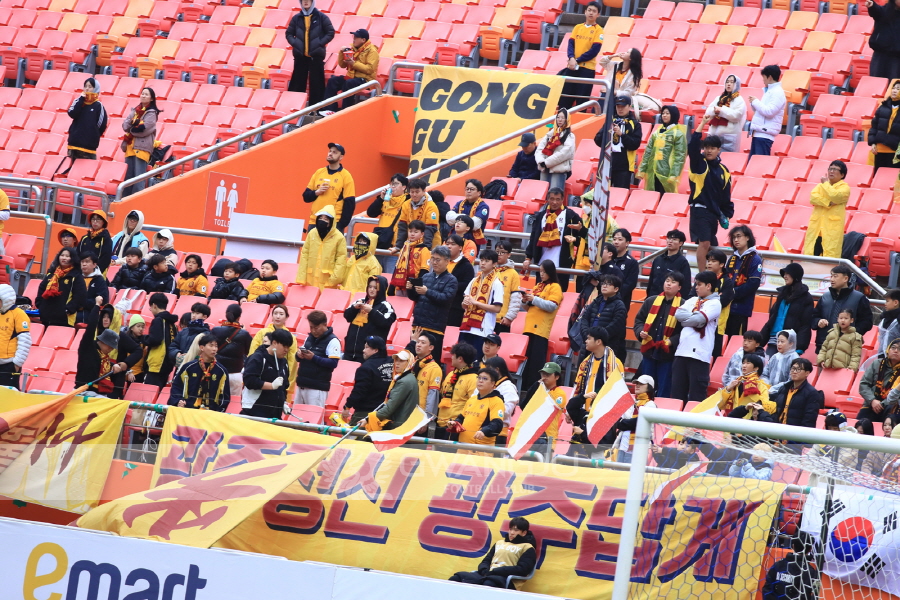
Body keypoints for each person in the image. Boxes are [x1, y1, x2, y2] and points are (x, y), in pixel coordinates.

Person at [568, 328, 624, 452]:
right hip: (584, 413)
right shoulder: (585, 363)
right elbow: (577, 387)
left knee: (596, 453)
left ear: (598, 342)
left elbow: (618, 392)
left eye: (589, 338)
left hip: (602, 417)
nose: (585, 341)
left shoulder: (615, 364)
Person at [687, 125, 733, 272]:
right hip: (699, 211)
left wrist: (726, 215)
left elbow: (725, 196)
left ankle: (715, 274)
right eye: (706, 147)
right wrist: (701, 125)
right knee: (705, 243)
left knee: (713, 247)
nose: (708, 151)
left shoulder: (724, 171)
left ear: (719, 150)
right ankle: (702, 277)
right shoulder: (700, 165)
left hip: (713, 214)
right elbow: (692, 148)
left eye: (712, 148)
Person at [671, 271, 722, 403]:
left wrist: (687, 321)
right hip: (682, 352)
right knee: (676, 395)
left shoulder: (715, 303)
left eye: (699, 284)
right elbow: (678, 315)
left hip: (699, 355)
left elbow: (699, 318)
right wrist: (693, 319)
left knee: (696, 397)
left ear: (708, 286)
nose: (696, 287)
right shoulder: (692, 300)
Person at [449, 517, 536, 590]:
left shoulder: (527, 547)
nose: (512, 533)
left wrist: (497, 571)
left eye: (516, 530)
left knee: (488, 584)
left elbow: (522, 570)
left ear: (524, 533)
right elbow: (486, 561)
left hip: (506, 579)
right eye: (510, 529)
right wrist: (484, 570)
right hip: (488, 575)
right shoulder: (499, 543)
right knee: (457, 578)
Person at [633, 272, 684, 397]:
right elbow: (639, 320)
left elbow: (686, 331)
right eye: (667, 281)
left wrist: (672, 341)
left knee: (664, 388)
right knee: (645, 387)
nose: (669, 284)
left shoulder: (684, 306)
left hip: (668, 353)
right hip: (649, 350)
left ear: (679, 287)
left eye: (673, 282)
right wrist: (640, 331)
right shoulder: (651, 301)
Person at [523, 187, 582, 293]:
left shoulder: (570, 215)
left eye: (558, 199)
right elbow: (533, 238)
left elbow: (583, 234)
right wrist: (528, 257)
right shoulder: (541, 216)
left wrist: (575, 239)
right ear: (547, 199)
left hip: (562, 262)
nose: (555, 202)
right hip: (542, 262)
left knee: (559, 292)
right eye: (552, 199)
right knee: (540, 292)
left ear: (563, 199)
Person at [521, 260, 565, 389]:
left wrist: (534, 299)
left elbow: (551, 306)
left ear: (550, 272)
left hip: (541, 329)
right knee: (526, 360)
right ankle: (523, 387)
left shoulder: (555, 287)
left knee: (536, 362)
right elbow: (529, 308)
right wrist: (525, 301)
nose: (541, 274)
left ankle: (533, 388)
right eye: (540, 271)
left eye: (544, 272)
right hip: (529, 327)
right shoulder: (538, 286)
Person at [811, 263, 873, 352]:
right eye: (831, 276)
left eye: (835, 276)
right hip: (823, 346)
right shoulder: (825, 297)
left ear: (845, 278)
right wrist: (818, 321)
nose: (832, 279)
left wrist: (853, 333)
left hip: (846, 348)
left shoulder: (859, 298)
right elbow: (814, 316)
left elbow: (867, 321)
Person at [408, 245, 458, 356]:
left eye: (438, 260)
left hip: (435, 327)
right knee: (413, 358)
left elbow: (446, 299)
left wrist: (427, 292)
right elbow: (416, 297)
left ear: (447, 261)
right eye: (432, 259)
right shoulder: (426, 276)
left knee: (431, 359)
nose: (434, 262)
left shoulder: (451, 280)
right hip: (418, 325)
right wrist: (410, 289)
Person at [760, 263, 814, 357]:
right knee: (769, 364)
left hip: (790, 343)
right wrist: (759, 341)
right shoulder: (782, 294)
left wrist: (800, 347)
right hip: (774, 339)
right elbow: (772, 319)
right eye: (784, 274)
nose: (785, 276)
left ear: (795, 276)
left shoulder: (806, 298)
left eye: (788, 274)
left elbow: (805, 325)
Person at [285, 0, 334, 104]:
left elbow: (330, 32)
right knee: (297, 83)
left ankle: (316, 108)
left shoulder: (321, 17)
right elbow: (289, 33)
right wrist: (295, 43)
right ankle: (294, 106)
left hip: (316, 56)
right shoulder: (296, 18)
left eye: (308, 0)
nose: (306, 2)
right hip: (300, 56)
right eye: (303, 0)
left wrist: (320, 43)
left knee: (317, 84)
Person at [321, 28, 379, 114]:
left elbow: (369, 69)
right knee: (333, 80)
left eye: (356, 37)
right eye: (354, 37)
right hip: (352, 77)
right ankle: (330, 110)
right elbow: (342, 65)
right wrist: (341, 53)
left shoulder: (372, 51)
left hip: (366, 80)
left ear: (363, 40)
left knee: (349, 83)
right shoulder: (352, 49)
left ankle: (345, 112)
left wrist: (353, 63)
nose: (354, 39)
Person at [459, 249, 505, 359]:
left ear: (494, 264)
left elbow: (497, 308)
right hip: (466, 326)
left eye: (487, 261)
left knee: (476, 360)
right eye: (482, 260)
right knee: (461, 359)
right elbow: (464, 305)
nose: (483, 263)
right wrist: (465, 303)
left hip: (483, 328)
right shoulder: (474, 280)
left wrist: (476, 303)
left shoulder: (497, 283)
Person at [302, 143, 356, 232]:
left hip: (333, 223)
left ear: (341, 157)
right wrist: (317, 192)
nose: (330, 154)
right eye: (330, 151)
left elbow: (349, 203)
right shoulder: (319, 172)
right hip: (315, 221)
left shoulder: (346, 176)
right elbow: (306, 197)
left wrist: (341, 225)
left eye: (335, 152)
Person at [168, 334, 230, 411]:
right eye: (211, 346)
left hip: (211, 412)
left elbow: (225, 395)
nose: (214, 349)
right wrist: (178, 401)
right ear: (202, 347)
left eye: (216, 346)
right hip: (189, 409)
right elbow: (177, 387)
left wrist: (219, 409)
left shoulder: (221, 370)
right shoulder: (189, 367)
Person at [447, 366, 505, 448]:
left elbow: (497, 423)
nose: (480, 381)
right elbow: (462, 417)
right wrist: (455, 423)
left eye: (485, 379)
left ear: (492, 383)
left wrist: (484, 431)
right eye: (479, 378)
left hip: (481, 449)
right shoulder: (472, 399)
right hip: (462, 447)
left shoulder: (497, 401)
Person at [802, 160, 850, 258]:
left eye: (835, 169)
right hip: (817, 227)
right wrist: (828, 202)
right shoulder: (820, 186)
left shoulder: (845, 188)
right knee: (811, 256)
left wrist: (826, 184)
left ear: (842, 175)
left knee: (829, 257)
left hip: (831, 229)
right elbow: (813, 198)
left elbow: (835, 196)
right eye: (830, 169)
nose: (831, 171)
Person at [559, 1, 603, 109]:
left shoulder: (599, 30)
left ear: (598, 14)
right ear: (585, 11)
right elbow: (570, 45)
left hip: (587, 70)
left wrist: (576, 60)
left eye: (594, 11)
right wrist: (571, 58)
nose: (591, 13)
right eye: (589, 10)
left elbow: (594, 51)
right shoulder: (577, 27)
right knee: (565, 99)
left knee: (581, 101)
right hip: (572, 67)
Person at [343, 275, 396, 363]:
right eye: (370, 287)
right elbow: (347, 316)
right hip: (349, 352)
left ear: (381, 289)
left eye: (375, 288)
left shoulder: (386, 306)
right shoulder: (360, 301)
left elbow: (386, 322)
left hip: (370, 356)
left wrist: (371, 311)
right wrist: (354, 308)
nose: (371, 290)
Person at [242, 328, 292, 419]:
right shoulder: (257, 358)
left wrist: (283, 402)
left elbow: (284, 386)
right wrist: (271, 385)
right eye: (284, 346)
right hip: (254, 410)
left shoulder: (284, 362)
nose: (286, 350)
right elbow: (249, 381)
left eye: (288, 347)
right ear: (274, 343)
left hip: (275, 413)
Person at [294, 310, 341, 408]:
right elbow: (298, 359)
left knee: (314, 415)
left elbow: (333, 363)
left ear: (325, 325)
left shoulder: (333, 341)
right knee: (296, 415)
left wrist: (314, 358)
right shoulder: (309, 338)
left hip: (317, 388)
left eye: (316, 328)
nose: (313, 330)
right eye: (311, 327)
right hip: (302, 384)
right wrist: (298, 355)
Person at [343, 335, 392, 425]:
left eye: (366, 347)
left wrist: (347, 406)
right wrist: (413, 342)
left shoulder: (365, 368)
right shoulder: (393, 362)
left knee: (355, 434)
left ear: (375, 350)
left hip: (365, 413)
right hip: (387, 413)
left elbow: (359, 391)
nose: (363, 350)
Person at [518, 362, 567, 451]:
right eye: (543, 374)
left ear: (557, 377)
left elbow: (546, 409)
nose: (544, 377)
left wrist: (539, 390)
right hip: (530, 434)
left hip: (547, 437)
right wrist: (535, 387)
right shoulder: (537, 389)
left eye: (548, 374)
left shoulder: (560, 394)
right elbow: (523, 406)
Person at [579, 273, 627, 362]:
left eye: (609, 284)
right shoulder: (596, 301)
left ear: (616, 289)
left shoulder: (619, 305)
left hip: (607, 347)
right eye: (603, 283)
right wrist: (588, 336)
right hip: (588, 345)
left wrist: (598, 338)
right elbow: (584, 319)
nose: (604, 286)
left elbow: (615, 326)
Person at [638, 105, 686, 194]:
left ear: (673, 115)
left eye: (667, 113)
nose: (664, 115)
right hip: (653, 171)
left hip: (667, 173)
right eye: (663, 113)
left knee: (665, 196)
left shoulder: (678, 134)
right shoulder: (657, 132)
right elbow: (648, 151)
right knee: (652, 196)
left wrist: (674, 174)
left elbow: (679, 156)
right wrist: (642, 169)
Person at [297, 206, 347, 290]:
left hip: (327, 283)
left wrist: (333, 281)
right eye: (320, 218)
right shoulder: (312, 233)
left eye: (326, 219)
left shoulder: (339, 237)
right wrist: (301, 278)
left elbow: (341, 260)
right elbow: (305, 254)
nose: (322, 221)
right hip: (310, 280)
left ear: (331, 221)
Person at [122, 88, 160, 197]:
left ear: (151, 99)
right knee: (128, 179)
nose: (143, 96)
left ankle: (137, 202)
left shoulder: (152, 113)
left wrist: (132, 129)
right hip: (130, 147)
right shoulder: (135, 110)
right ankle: (125, 201)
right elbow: (125, 125)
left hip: (142, 148)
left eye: (146, 94)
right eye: (142, 94)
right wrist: (134, 125)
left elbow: (144, 131)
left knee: (139, 179)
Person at [724, 225, 762, 336]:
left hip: (741, 308)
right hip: (726, 307)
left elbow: (753, 283)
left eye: (739, 236)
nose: (736, 240)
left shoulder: (755, 258)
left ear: (747, 238)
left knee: (736, 338)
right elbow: (725, 278)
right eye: (734, 237)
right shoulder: (732, 258)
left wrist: (732, 293)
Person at [598, 94, 642, 189]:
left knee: (620, 192)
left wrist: (622, 134)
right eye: (618, 106)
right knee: (604, 191)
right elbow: (597, 140)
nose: (620, 109)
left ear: (629, 106)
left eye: (623, 106)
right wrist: (607, 132)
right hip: (608, 162)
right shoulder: (610, 121)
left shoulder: (635, 124)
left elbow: (635, 144)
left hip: (624, 165)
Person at [436, 342, 479, 439]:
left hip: (455, 426)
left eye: (453, 355)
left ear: (460, 359)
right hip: (441, 423)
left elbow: (473, 405)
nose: (451, 357)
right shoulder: (451, 374)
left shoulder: (473, 379)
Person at [367, 173, 408, 273]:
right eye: (391, 184)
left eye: (396, 184)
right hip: (380, 245)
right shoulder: (386, 200)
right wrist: (380, 198)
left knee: (390, 277)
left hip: (394, 249)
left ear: (404, 187)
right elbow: (371, 213)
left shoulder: (408, 202)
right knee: (375, 277)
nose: (393, 186)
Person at [369, 349, 419, 430]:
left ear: (409, 362)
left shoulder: (404, 381)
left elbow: (389, 408)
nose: (397, 363)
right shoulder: (408, 377)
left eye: (401, 361)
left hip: (398, 426)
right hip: (403, 424)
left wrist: (369, 419)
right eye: (396, 360)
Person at [249, 305, 298, 387]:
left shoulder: (291, 337)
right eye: (275, 313)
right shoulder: (262, 333)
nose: (278, 316)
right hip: (261, 371)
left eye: (281, 314)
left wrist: (288, 382)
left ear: (286, 317)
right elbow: (252, 352)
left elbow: (292, 361)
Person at [612, 374, 656, 463]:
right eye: (636, 383)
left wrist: (624, 423)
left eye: (641, 384)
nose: (637, 386)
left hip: (638, 448)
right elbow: (618, 422)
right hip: (622, 446)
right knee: (618, 470)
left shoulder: (650, 404)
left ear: (649, 387)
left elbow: (639, 423)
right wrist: (625, 423)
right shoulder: (632, 403)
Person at [75, 316, 123, 397]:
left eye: (112, 347)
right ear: (103, 341)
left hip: (100, 393)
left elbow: (101, 363)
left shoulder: (104, 357)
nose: (111, 349)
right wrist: (96, 308)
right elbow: (91, 328)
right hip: (84, 391)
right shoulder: (88, 348)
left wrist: (113, 365)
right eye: (110, 346)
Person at [762, 532, 819, 600]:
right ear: (810, 549)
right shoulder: (809, 571)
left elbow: (766, 590)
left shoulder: (778, 564)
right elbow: (804, 596)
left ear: (792, 546)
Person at [37, 248, 85, 327]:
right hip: (46, 316)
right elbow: (42, 289)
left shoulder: (76, 276)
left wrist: (68, 310)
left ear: (73, 258)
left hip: (65, 319)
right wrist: (41, 305)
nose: (64, 258)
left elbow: (80, 296)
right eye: (62, 255)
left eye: (67, 256)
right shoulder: (52, 274)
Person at [211, 303, 253, 393]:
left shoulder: (215, 330)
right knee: (234, 400)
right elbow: (248, 352)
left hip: (217, 370)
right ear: (239, 317)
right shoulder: (244, 334)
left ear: (226, 315)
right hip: (235, 373)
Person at [65, 77, 108, 163]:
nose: (87, 88)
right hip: (74, 145)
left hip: (88, 147)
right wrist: (81, 100)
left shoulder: (98, 106)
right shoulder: (78, 101)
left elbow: (101, 125)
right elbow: (72, 113)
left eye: (90, 86)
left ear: (95, 89)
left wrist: (92, 134)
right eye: (85, 86)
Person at [856, 339, 900, 422]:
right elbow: (864, 384)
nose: (896, 351)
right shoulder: (876, 363)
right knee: (861, 425)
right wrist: (872, 400)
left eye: (899, 349)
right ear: (888, 350)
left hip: (891, 406)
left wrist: (882, 404)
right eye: (893, 347)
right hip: (871, 403)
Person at [770, 358, 822, 428]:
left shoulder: (812, 393)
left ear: (807, 373)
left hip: (795, 431)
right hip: (778, 429)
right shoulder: (784, 388)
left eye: (798, 369)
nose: (794, 372)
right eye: (793, 369)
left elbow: (809, 419)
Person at [747, 65, 786, 157]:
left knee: (759, 163)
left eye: (764, 77)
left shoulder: (777, 92)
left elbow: (769, 112)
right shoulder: (770, 91)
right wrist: (754, 103)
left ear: (770, 77)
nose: (763, 80)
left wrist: (755, 102)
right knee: (753, 162)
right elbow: (762, 110)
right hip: (760, 133)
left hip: (765, 134)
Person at [703, 74, 746, 153]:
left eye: (732, 82)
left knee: (727, 157)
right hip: (714, 135)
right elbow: (708, 111)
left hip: (729, 136)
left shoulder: (739, 100)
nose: (729, 84)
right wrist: (715, 111)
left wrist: (722, 110)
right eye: (727, 82)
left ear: (736, 85)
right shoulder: (719, 98)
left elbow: (737, 116)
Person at [143, 292, 178, 388]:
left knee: (150, 391)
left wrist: (143, 338)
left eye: (150, 307)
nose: (150, 310)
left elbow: (155, 340)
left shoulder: (158, 320)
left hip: (157, 363)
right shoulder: (173, 323)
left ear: (154, 305)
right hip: (168, 363)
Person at [536, 108, 576, 191]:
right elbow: (539, 149)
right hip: (545, 169)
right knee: (542, 194)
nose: (560, 120)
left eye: (563, 118)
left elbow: (564, 153)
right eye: (558, 117)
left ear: (567, 120)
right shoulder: (550, 135)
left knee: (555, 195)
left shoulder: (570, 136)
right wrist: (541, 161)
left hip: (558, 171)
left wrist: (547, 162)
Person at [0, 284, 30, 390]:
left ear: (6, 300)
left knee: (9, 394)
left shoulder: (19, 314)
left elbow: (25, 341)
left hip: (9, 364)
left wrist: (17, 363)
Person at [646, 230, 692, 297]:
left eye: (674, 239)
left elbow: (685, 285)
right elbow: (651, 281)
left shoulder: (682, 262)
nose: (670, 241)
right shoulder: (658, 259)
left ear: (680, 243)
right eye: (669, 238)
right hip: (654, 297)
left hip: (672, 299)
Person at [446, 179, 489, 249]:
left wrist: (458, 218)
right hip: (455, 237)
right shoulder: (460, 203)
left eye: (472, 189)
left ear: (479, 193)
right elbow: (449, 218)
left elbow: (475, 224)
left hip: (472, 239)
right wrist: (466, 219)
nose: (468, 191)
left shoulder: (483, 206)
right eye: (467, 189)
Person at [707, 248, 734, 358]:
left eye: (713, 261)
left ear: (722, 264)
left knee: (713, 356)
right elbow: (693, 297)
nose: (709, 263)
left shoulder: (727, 281)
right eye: (708, 261)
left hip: (717, 325)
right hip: (700, 323)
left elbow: (723, 301)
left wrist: (705, 301)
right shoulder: (702, 278)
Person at [392, 220, 431, 295]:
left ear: (422, 234)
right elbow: (397, 267)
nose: (412, 234)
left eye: (416, 232)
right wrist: (392, 286)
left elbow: (424, 271)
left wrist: (416, 286)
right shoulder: (404, 248)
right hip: (400, 285)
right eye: (410, 231)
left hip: (414, 287)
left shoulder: (424, 250)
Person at [484, 356, 518, 443]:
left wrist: (484, 410)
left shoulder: (508, 387)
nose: (485, 373)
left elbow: (506, 411)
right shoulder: (486, 384)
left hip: (498, 433)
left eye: (488, 370)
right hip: (481, 429)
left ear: (497, 370)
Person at [411, 331, 444, 419]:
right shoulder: (412, 363)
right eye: (418, 342)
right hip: (407, 410)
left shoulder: (434, 368)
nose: (418, 345)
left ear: (431, 347)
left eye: (423, 343)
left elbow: (432, 396)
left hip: (420, 414)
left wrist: (427, 418)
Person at [168, 302, 211, 370]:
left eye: (197, 313)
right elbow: (173, 346)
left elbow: (206, 353)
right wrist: (177, 353)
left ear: (204, 317)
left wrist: (190, 356)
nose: (193, 315)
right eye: (193, 312)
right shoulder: (184, 331)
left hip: (196, 368)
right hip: (180, 367)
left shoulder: (206, 334)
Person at [445, 234, 475, 328]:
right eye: (447, 244)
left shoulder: (466, 266)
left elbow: (467, 285)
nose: (449, 246)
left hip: (455, 307)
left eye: (453, 244)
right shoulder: (441, 262)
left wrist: (448, 284)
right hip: (439, 305)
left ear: (460, 247)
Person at [869, 80, 900, 170]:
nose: (894, 91)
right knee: (879, 175)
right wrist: (873, 142)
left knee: (892, 176)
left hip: (895, 151)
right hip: (880, 150)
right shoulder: (883, 106)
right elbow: (874, 126)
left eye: (898, 89)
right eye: (893, 88)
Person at [866, 0, 900, 80]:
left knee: (893, 83)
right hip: (880, 54)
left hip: (897, 57)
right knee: (876, 81)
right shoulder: (884, 11)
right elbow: (876, 11)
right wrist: (872, 5)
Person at [493, 241, 522, 334]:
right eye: (497, 251)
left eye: (502, 252)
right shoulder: (489, 270)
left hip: (502, 319)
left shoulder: (513, 274)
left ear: (509, 255)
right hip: (486, 316)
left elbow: (516, 298)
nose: (499, 254)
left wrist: (509, 317)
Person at [762, 330, 800, 396]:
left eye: (782, 342)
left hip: (785, 393)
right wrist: (767, 385)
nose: (779, 344)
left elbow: (791, 380)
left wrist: (774, 388)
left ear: (791, 343)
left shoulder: (794, 358)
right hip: (768, 390)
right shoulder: (775, 357)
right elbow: (765, 374)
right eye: (778, 341)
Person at [75, 251, 109, 324]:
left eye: (87, 262)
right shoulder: (76, 277)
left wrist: (82, 303)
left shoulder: (100, 280)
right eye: (82, 262)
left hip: (89, 312)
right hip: (73, 309)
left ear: (94, 265)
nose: (84, 264)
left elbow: (103, 300)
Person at [878, 289, 900, 357]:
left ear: (895, 302)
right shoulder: (884, 318)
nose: (885, 304)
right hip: (882, 355)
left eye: (887, 301)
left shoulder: (898, 320)